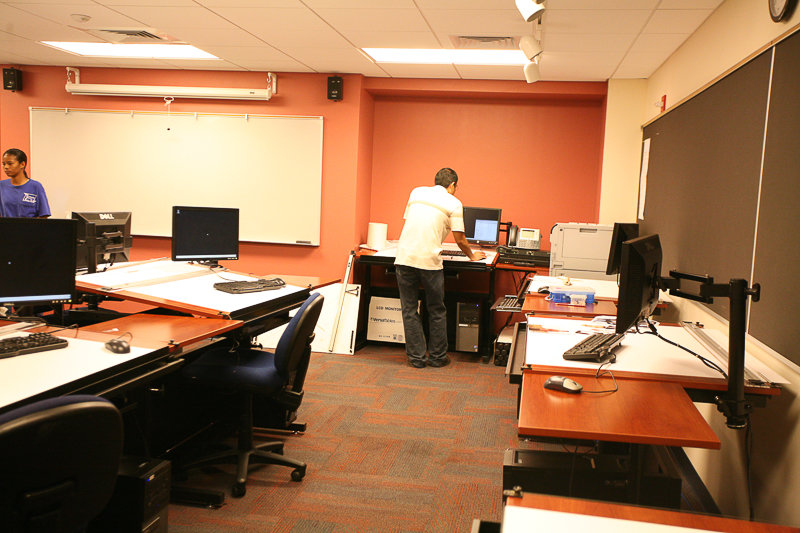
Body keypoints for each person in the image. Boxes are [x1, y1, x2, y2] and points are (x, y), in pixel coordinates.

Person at [394, 168, 486, 368]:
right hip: (429, 261)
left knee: (409, 310)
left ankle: (417, 359)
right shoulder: (454, 202)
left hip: (404, 257)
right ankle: (437, 357)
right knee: (436, 309)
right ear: (452, 185)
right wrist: (472, 256)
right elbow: (460, 239)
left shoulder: (416, 192)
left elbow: (415, 223)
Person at [1, 148, 51, 218]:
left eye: (10, 164)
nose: (6, 167)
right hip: (5, 225)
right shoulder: (1, 186)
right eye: (4, 164)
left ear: (22, 164)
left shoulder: (36, 186)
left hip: (30, 225)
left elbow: (44, 215)